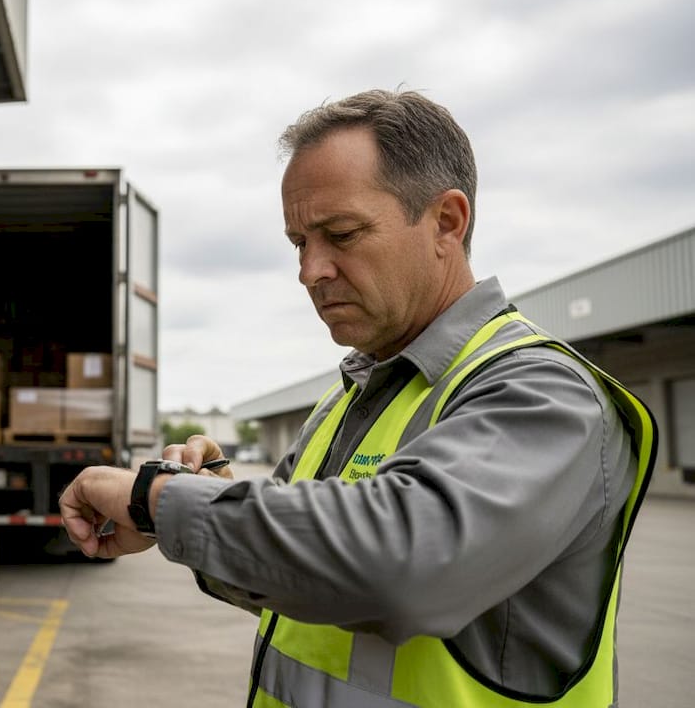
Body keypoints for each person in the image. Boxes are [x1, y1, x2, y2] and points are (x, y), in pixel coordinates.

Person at [58, 88, 656, 708]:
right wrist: (200, 499)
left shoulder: (542, 395)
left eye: (340, 234)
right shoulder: (347, 401)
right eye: (299, 243)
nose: (309, 271)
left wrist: (157, 499)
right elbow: (304, 574)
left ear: (446, 222)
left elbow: (398, 568)